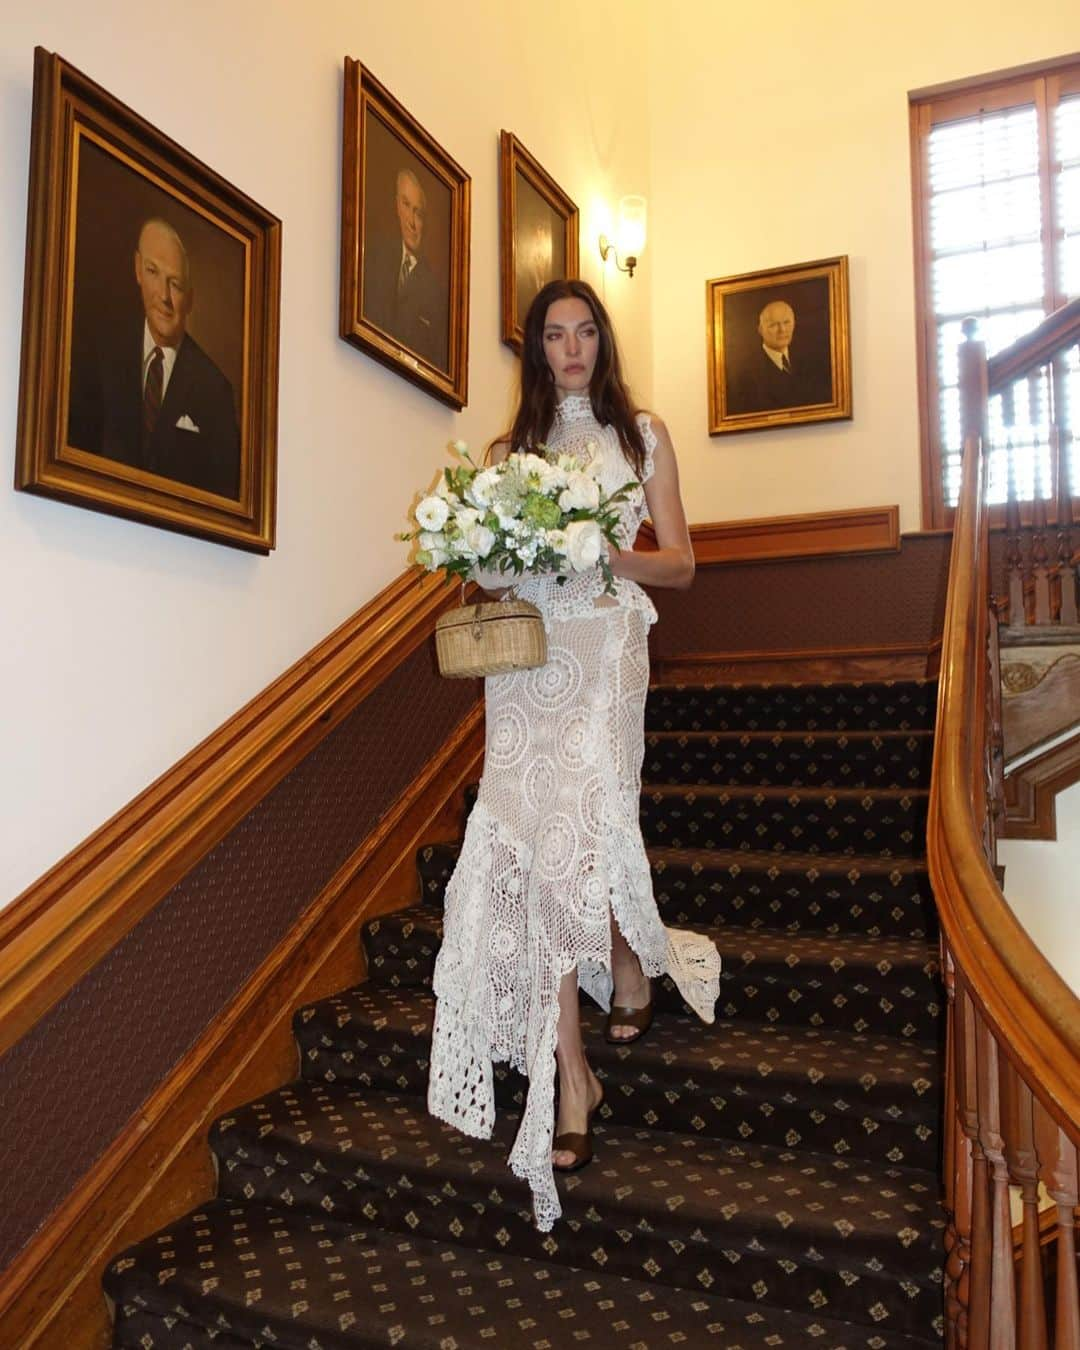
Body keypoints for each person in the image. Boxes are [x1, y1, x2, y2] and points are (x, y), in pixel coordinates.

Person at [427, 279, 721, 1231]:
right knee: (532, 842)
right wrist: (502, 547)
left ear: (603, 338)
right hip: (526, 664)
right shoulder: (512, 451)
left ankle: (631, 957)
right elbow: (486, 569)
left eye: (585, 330)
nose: (571, 348)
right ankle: (573, 1071)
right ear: (534, 348)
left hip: (607, 648)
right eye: (553, 335)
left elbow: (680, 561)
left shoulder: (643, 433)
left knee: (585, 823)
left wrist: (606, 556)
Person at [67, 218, 242, 499]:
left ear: (191, 299)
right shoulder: (101, 354)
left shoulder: (215, 390)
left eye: (175, 284)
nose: (164, 296)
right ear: (137, 269)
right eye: (152, 272)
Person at [363, 167, 449, 370]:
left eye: (418, 213)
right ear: (396, 206)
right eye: (406, 205)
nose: (411, 222)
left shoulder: (436, 295)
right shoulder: (374, 256)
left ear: (425, 222)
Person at [726, 297, 831, 415]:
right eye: (773, 325)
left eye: (787, 322)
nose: (782, 330)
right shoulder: (746, 374)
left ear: (794, 323)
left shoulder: (812, 361)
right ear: (760, 330)